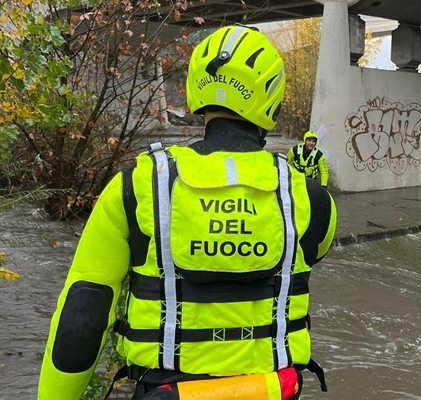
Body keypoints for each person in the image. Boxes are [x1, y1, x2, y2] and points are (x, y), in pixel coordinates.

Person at [37, 25, 337, 400]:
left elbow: (83, 313)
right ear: (272, 98)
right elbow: (312, 253)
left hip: (164, 390)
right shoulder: (312, 198)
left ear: (196, 87)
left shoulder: (136, 185)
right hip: (270, 390)